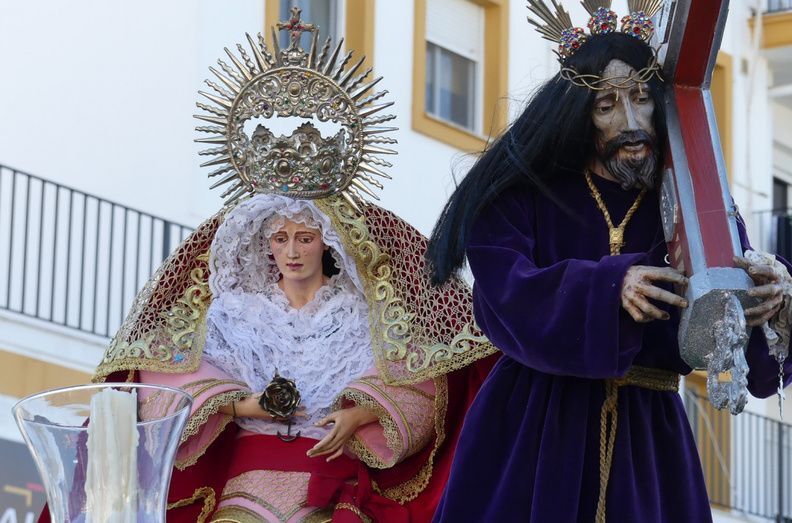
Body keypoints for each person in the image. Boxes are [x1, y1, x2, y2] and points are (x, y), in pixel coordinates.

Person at [70, 10, 497, 523]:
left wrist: (361, 413)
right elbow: (166, 372)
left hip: (331, 477)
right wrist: (240, 405)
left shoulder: (362, 316)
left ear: (327, 243)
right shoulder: (233, 314)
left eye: (305, 238)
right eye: (280, 238)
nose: (292, 251)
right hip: (247, 477)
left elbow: (420, 375)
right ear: (265, 245)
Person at [425, 1, 792, 521]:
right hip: (535, 432)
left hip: (648, 444)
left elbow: (739, 343)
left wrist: (778, 299)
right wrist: (610, 287)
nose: (631, 122)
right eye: (607, 105)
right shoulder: (524, 195)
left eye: (641, 99)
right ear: (578, 114)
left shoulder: (695, 207)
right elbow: (506, 295)